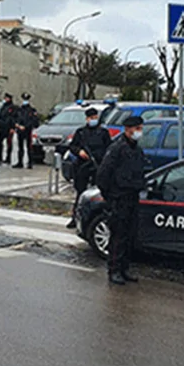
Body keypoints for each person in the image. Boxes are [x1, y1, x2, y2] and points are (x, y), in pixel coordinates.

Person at [95, 115, 146, 286]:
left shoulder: (136, 149)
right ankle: (114, 270)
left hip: (132, 197)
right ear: (127, 129)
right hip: (119, 198)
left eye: (141, 128)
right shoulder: (117, 148)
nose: (140, 131)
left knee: (130, 235)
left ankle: (124, 269)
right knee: (118, 236)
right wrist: (110, 197)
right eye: (137, 128)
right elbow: (103, 175)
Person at [66, 107, 112, 228]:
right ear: (87, 119)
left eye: (95, 117)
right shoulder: (81, 132)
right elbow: (72, 146)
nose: (94, 120)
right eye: (92, 118)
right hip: (83, 166)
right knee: (81, 193)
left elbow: (109, 148)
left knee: (98, 192)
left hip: (98, 165)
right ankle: (75, 218)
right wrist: (79, 151)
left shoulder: (103, 132)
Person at [13, 93, 40, 169]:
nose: (25, 101)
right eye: (24, 99)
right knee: (20, 147)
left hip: (28, 131)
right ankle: (20, 162)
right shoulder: (19, 110)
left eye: (26, 100)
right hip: (20, 131)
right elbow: (15, 118)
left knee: (29, 147)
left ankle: (30, 163)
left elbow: (34, 121)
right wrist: (17, 125)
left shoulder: (32, 110)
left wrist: (25, 127)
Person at [0, 94, 18, 164]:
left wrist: (13, 128)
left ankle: (8, 158)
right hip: (2, 127)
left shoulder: (13, 107)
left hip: (9, 127)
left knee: (9, 143)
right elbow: (0, 116)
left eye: (7, 98)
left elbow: (14, 118)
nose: (5, 99)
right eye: (5, 98)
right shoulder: (3, 107)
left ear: (10, 99)